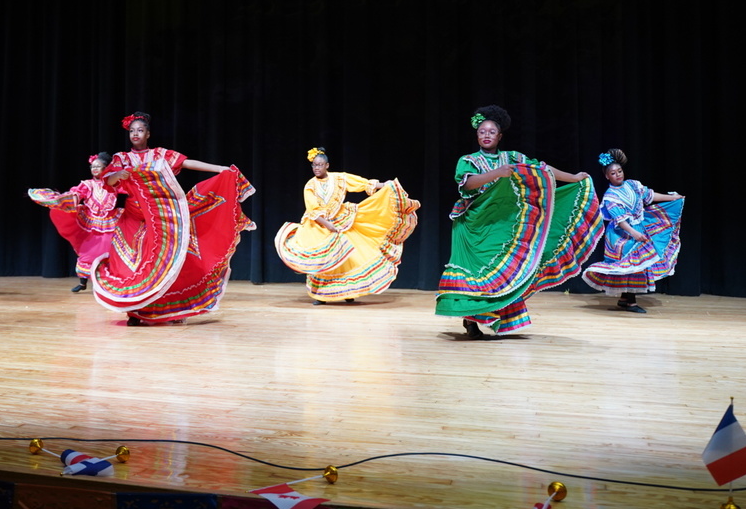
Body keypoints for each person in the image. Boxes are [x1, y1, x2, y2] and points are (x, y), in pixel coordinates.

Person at [435, 106, 603, 339]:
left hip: (503, 224)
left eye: (491, 132)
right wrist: (497, 174)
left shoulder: (512, 158)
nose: (486, 135)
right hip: (474, 224)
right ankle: (470, 319)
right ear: (477, 135)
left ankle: (492, 315)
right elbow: (467, 184)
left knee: (501, 270)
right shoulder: (469, 160)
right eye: (482, 131)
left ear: (499, 136)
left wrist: (573, 178)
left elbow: (542, 169)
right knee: (474, 272)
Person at [91, 112, 256, 325]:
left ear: (148, 134)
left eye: (140, 130)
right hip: (133, 220)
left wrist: (219, 169)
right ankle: (134, 312)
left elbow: (187, 163)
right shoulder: (121, 158)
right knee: (131, 266)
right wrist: (117, 176)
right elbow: (108, 181)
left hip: (161, 219)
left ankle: (173, 309)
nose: (135, 134)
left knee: (170, 262)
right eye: (132, 131)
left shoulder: (160, 155)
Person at [275, 147, 420, 304]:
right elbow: (313, 210)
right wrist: (328, 225)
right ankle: (321, 295)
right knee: (323, 258)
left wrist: (384, 185)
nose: (317, 168)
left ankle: (347, 291)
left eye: (320, 164)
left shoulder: (338, 178)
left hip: (339, 218)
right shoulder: (310, 185)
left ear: (327, 165)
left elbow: (360, 183)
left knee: (347, 256)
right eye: (314, 165)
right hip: (318, 225)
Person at [582, 149, 685, 313]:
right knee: (630, 262)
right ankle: (631, 302)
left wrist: (672, 198)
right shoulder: (611, 196)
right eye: (613, 173)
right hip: (620, 234)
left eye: (619, 171)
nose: (618, 175)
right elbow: (620, 220)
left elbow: (650, 196)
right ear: (607, 176)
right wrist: (635, 234)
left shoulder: (632, 184)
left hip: (637, 226)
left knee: (634, 263)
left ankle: (624, 299)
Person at [29, 152, 121, 292]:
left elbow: (130, 190)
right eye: (92, 166)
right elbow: (76, 195)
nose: (94, 169)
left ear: (107, 168)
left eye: (98, 166)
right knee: (87, 251)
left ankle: (108, 282)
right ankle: (83, 282)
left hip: (110, 222)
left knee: (109, 251)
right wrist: (59, 199)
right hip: (91, 222)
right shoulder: (87, 184)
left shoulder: (114, 184)